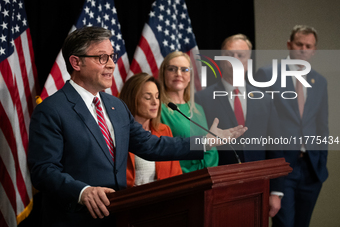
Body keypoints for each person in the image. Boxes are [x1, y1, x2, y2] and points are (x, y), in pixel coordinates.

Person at [28, 26, 247, 227]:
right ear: (76, 63)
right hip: (74, 220)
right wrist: (82, 191)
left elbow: (151, 145)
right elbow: (43, 170)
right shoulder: (52, 110)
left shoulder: (115, 105)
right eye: (102, 58)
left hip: (119, 217)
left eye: (112, 56)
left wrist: (206, 142)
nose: (112, 64)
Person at [195, 34, 284, 218]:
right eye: (230, 55)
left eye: (241, 55)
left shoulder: (265, 100)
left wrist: (275, 192)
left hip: (258, 187)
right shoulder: (202, 99)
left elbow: (275, 146)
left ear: (248, 60)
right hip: (218, 188)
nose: (235, 60)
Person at [255, 25, 328, 227]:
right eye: (299, 44)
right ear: (289, 45)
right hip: (282, 166)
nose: (303, 49)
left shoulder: (319, 81)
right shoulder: (267, 74)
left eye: (308, 46)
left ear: (314, 50)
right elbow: (259, 125)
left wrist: (321, 161)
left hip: (311, 168)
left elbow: (322, 126)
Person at [158, 51, 219, 173]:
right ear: (163, 73)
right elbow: (162, 149)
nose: (178, 74)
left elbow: (211, 149)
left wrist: (206, 172)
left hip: (207, 178)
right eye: (172, 69)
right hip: (179, 179)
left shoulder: (198, 109)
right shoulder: (158, 109)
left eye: (184, 69)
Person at [119, 72, 182, 187]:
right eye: (148, 97)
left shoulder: (164, 130)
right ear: (132, 100)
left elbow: (176, 174)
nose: (155, 102)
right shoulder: (120, 133)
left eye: (157, 97)